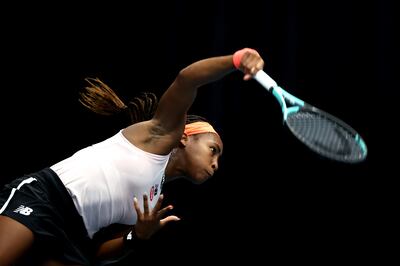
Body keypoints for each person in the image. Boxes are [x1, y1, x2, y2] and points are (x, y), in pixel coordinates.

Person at [0, 48, 264, 265]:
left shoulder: (153, 199)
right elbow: (187, 79)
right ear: (184, 137)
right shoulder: (160, 136)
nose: (216, 164)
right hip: (47, 198)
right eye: (213, 150)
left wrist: (137, 235)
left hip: (73, 238)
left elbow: (97, 253)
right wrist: (236, 60)